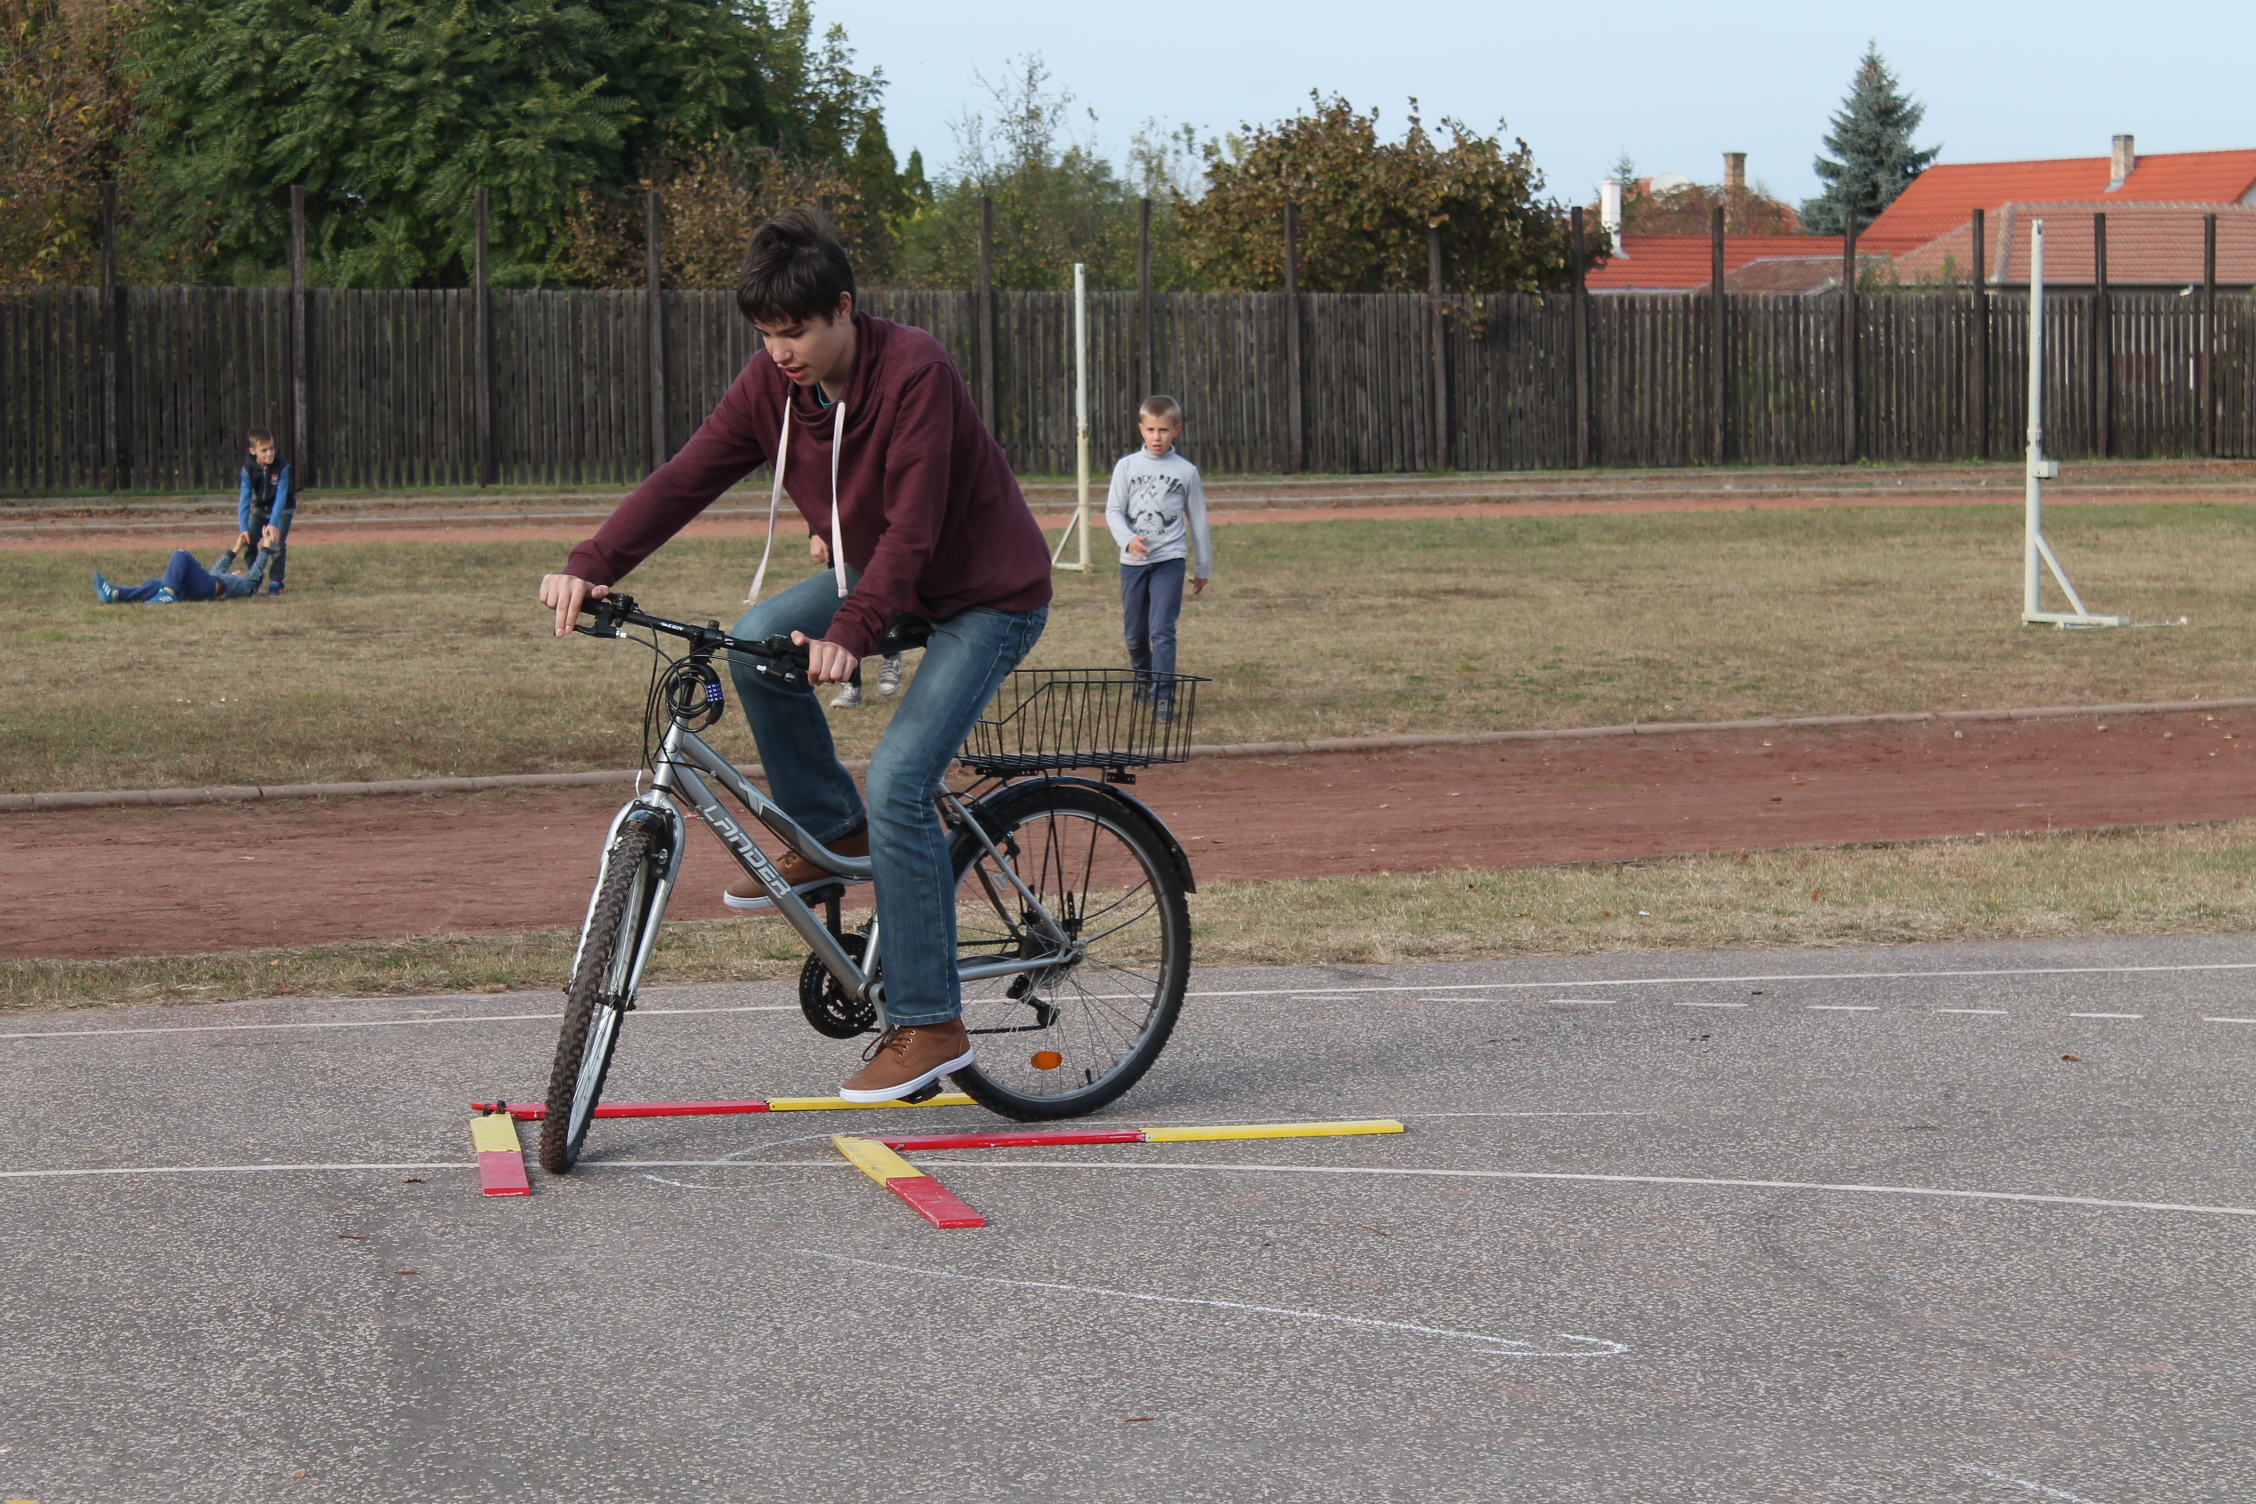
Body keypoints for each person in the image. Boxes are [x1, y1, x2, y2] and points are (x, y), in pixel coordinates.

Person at [537, 208, 1052, 1104]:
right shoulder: (771, 388)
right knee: (758, 644)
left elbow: (915, 531)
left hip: (987, 594)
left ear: (843, 308)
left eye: (797, 331)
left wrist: (852, 630)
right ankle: (833, 828)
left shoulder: (916, 370)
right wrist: (592, 563)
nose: (780, 351)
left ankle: (931, 1022)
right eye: (766, 333)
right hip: (882, 579)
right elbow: (685, 477)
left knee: (900, 779)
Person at [1104, 394, 1212, 720]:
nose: (1157, 437)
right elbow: (1113, 511)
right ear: (1141, 429)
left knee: (1162, 629)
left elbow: (1199, 520)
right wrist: (1128, 540)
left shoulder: (1186, 472)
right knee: (1135, 635)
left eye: (1163, 430)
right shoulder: (1126, 467)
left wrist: (1203, 566)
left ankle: (1164, 696)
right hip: (1134, 564)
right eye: (1151, 430)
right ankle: (1143, 677)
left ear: (1176, 430)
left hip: (1170, 560)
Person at [813, 532, 906, 708]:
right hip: (841, 537)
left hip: (880, 533)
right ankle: (850, 684)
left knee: (883, 590)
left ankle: (891, 652)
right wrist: (816, 534)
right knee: (843, 603)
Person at [94, 525, 282, 603]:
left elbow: (256, 571)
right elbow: (217, 569)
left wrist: (266, 545)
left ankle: (167, 595)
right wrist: (237, 548)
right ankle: (116, 594)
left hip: (208, 589)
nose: (239, 571)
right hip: (200, 588)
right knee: (154, 584)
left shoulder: (246, 585)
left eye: (242, 572)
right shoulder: (221, 578)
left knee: (181, 555)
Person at [227, 429, 295, 595]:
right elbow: (245, 499)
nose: (270, 453)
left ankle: (276, 583)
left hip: (283, 508)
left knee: (277, 545)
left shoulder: (282, 466)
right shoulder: (248, 469)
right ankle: (255, 578)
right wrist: (243, 528)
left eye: (272, 448)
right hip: (261, 507)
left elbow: (281, 496)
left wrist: (273, 523)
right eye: (264, 450)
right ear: (253, 451)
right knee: (250, 542)